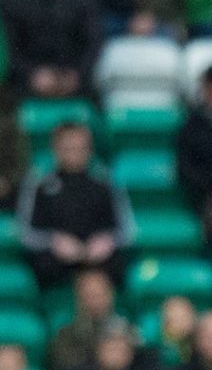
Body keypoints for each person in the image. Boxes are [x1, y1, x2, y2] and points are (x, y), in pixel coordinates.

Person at [16, 121, 135, 288]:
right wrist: (54, 241)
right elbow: (25, 233)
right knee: (43, 265)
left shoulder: (106, 182)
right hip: (56, 259)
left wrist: (107, 241)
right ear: (55, 148)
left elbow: (127, 232)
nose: (74, 152)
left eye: (80, 147)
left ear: (90, 149)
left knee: (118, 265)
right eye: (68, 147)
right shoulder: (38, 183)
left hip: (97, 257)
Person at [48, 269, 118, 370]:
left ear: (111, 295)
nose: (96, 302)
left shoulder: (125, 331)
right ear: (78, 299)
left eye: (99, 295)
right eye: (89, 296)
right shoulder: (66, 336)